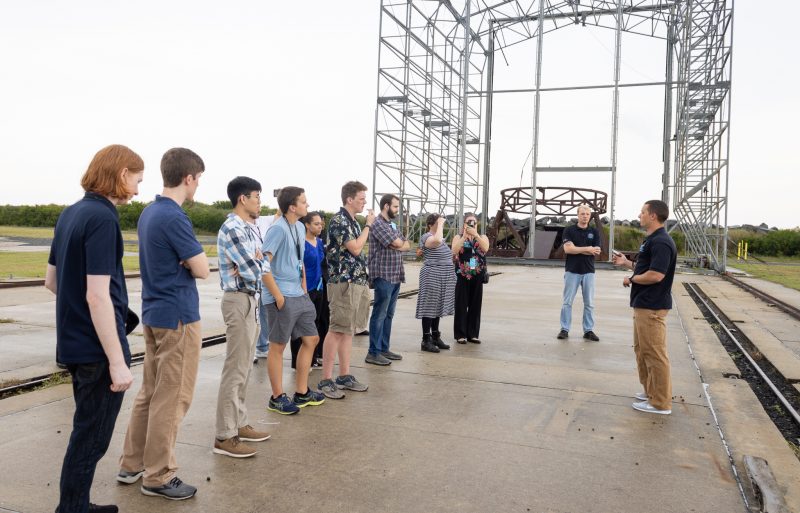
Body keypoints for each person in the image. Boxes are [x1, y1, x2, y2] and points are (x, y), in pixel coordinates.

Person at [45, 144, 144, 513]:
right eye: (137, 180)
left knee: (85, 431)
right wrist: (117, 362)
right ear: (122, 174)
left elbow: (52, 282)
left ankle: (77, 503)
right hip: (98, 350)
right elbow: (98, 296)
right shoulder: (103, 218)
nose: (137, 190)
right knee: (91, 439)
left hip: (73, 344)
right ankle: (71, 509)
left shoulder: (70, 213)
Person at [115, 148, 208, 500]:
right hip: (178, 316)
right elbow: (202, 268)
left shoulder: (150, 212)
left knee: (151, 392)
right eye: (198, 179)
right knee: (173, 396)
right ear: (188, 178)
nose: (198, 186)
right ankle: (159, 475)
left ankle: (132, 463)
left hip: (154, 313)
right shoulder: (174, 217)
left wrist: (187, 261)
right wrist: (190, 262)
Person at [213, 177, 271, 458]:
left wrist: (257, 260)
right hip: (238, 299)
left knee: (245, 367)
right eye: (256, 196)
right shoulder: (233, 228)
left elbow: (263, 264)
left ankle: (240, 423)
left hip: (251, 299)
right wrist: (256, 261)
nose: (260, 202)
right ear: (242, 199)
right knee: (235, 368)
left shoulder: (250, 228)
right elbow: (253, 269)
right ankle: (225, 436)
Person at [261, 187, 326, 414]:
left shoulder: (298, 226)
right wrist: (278, 296)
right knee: (278, 346)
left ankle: (301, 392)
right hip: (281, 296)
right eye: (303, 202)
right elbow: (263, 265)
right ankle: (277, 397)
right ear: (292, 207)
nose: (307, 205)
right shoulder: (277, 229)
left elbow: (299, 262)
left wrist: (304, 289)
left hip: (299, 293)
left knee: (311, 339)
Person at [612, 199, 677, 415]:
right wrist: (626, 263)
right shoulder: (651, 240)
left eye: (642, 212)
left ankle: (660, 403)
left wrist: (631, 279)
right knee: (643, 351)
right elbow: (645, 268)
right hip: (643, 304)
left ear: (653, 216)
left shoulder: (661, 242)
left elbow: (656, 275)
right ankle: (651, 392)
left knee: (654, 353)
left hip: (652, 305)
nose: (639, 215)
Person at [317, 181, 375, 399]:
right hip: (343, 283)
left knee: (348, 330)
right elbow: (356, 248)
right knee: (337, 329)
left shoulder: (352, 222)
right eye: (361, 199)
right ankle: (326, 379)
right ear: (349, 199)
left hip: (356, 281)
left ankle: (344, 375)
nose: (364, 203)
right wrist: (368, 225)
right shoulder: (340, 221)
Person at [365, 194, 410, 365]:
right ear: (386, 206)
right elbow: (398, 243)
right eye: (395, 207)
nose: (397, 210)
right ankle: (373, 352)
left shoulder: (391, 225)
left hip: (395, 274)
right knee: (379, 314)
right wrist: (398, 244)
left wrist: (398, 244)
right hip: (383, 275)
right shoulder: (378, 223)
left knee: (388, 315)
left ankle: (384, 349)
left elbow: (405, 244)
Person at [557, 204, 602, 342]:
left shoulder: (594, 232)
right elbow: (568, 250)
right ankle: (564, 329)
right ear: (577, 215)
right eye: (582, 214)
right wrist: (588, 249)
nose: (585, 216)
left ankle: (588, 331)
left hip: (589, 271)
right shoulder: (569, 230)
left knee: (589, 303)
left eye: (587, 214)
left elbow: (596, 251)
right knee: (567, 302)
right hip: (572, 271)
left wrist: (577, 249)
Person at [290, 211, 327, 370]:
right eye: (316, 224)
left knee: (315, 323)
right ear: (307, 225)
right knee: (300, 326)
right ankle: (297, 361)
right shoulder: (301, 243)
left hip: (319, 287)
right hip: (305, 288)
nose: (320, 227)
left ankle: (312, 357)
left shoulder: (319, 242)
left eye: (321, 224)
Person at [416, 213, 456, 353]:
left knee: (437, 307)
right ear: (430, 225)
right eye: (437, 223)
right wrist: (441, 223)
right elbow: (437, 240)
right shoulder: (427, 237)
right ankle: (426, 340)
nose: (440, 225)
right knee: (429, 307)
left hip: (442, 276)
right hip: (432, 275)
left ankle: (435, 336)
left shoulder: (440, 238)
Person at [451, 212, 489, 344]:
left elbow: (485, 248)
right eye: (469, 222)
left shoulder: (482, 237)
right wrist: (464, 237)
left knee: (475, 305)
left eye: (474, 222)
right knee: (461, 305)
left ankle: (473, 334)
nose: (472, 224)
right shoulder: (458, 237)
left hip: (477, 275)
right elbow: (454, 251)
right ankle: (460, 334)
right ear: (464, 224)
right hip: (462, 274)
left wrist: (476, 235)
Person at [255, 209, 281, 359]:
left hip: (268, 273)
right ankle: (260, 346)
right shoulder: (261, 221)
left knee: (264, 312)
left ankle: (262, 345)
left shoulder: (273, 222)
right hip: (259, 274)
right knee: (258, 313)